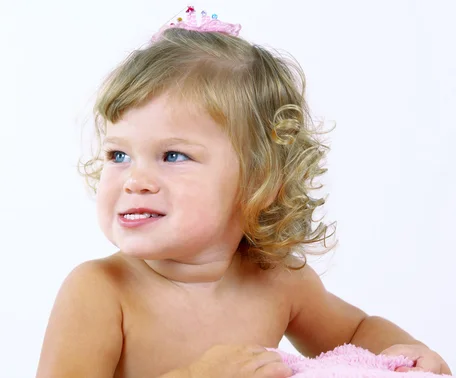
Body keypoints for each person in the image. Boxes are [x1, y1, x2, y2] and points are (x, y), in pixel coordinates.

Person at [35, 6, 451, 378]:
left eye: (174, 156)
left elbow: (356, 331)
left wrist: (408, 354)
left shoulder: (277, 281)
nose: (134, 180)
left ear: (260, 180)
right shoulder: (100, 291)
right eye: (118, 154)